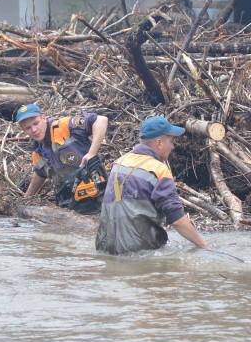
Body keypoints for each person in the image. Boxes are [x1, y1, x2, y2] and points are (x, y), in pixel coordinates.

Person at [96, 116, 212, 254]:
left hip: (106, 249)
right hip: (139, 251)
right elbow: (177, 220)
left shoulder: (119, 162)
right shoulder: (158, 170)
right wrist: (204, 245)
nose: (173, 146)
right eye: (171, 141)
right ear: (159, 143)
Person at [15, 103, 109, 214]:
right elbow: (40, 174)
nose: (34, 130)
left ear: (43, 118)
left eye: (36, 123)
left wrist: (92, 152)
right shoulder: (38, 152)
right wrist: (26, 199)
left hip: (99, 197)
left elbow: (101, 120)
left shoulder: (64, 126)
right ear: (23, 130)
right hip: (72, 207)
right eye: (28, 128)